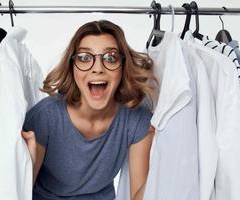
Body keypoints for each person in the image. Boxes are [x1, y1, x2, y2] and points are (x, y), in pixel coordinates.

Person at [22, 20, 158, 200]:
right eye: (85, 58)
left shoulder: (136, 120)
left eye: (110, 58)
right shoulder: (45, 117)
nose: (98, 69)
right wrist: (26, 163)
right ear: (72, 67)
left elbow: (138, 197)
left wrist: (162, 156)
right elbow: (20, 194)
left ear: (123, 66)